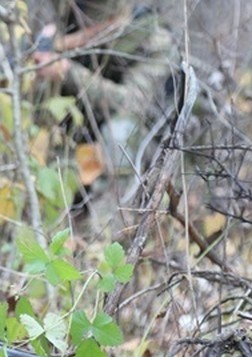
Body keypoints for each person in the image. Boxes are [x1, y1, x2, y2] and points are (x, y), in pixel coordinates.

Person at [31, 0, 179, 218]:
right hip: (79, 144)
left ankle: (109, 227)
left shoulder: (152, 39)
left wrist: (68, 72)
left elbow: (129, 103)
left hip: (143, 149)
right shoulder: (68, 22)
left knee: (119, 133)